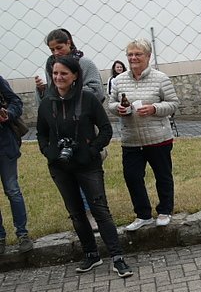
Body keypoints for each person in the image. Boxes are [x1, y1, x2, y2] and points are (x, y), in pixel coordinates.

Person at [36, 56, 133, 277]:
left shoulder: (87, 99)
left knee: (100, 210)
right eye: (55, 74)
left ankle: (117, 256)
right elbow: (41, 133)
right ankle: (91, 254)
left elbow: (106, 130)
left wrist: (91, 150)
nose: (59, 78)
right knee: (76, 213)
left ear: (75, 76)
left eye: (64, 74)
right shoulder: (46, 102)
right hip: (60, 167)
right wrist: (47, 151)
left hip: (87, 165)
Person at [109, 39, 179, 230]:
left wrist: (154, 108)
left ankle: (165, 211)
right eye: (130, 54)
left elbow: (173, 103)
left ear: (148, 56)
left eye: (138, 54)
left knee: (163, 175)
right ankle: (143, 215)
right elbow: (112, 103)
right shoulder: (118, 80)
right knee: (132, 177)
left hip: (158, 138)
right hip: (131, 139)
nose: (133, 58)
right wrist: (119, 109)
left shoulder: (161, 78)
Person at [0, 76, 33, 255]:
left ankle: (22, 234)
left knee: (12, 190)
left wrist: (7, 114)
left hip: (4, 145)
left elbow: (16, 102)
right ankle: (0, 237)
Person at [34, 29, 105, 105]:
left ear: (68, 43)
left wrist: (67, 91)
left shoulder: (84, 63)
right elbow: (48, 98)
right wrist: (41, 89)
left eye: (59, 48)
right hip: (58, 114)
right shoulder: (50, 65)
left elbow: (97, 92)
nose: (56, 52)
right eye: (52, 50)